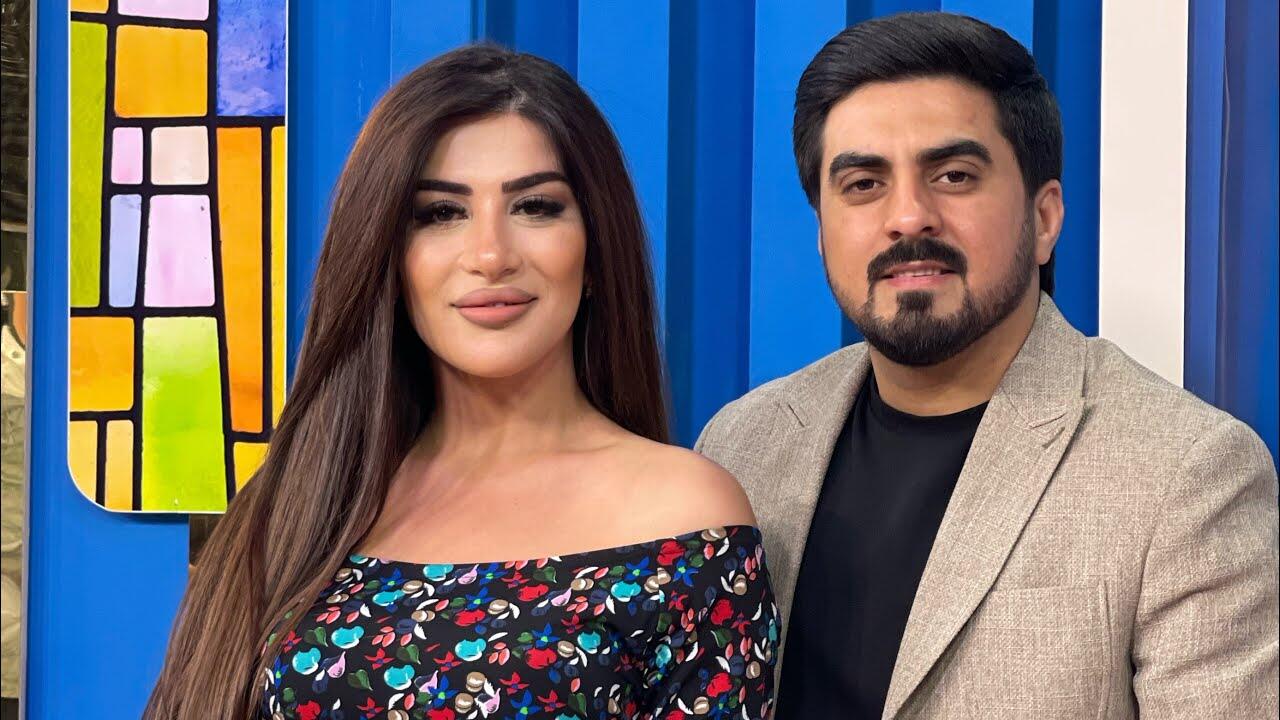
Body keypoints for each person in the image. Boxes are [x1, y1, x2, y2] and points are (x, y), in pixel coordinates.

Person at [146, 45, 780, 720]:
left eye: (535, 206)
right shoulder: (303, 503)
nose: (490, 255)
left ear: (595, 251)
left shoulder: (686, 518)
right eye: (441, 214)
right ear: (388, 257)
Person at [696, 12, 1278, 719]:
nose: (908, 217)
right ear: (822, 231)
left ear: (1045, 218)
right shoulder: (741, 446)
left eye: (954, 175)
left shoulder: (1186, 472)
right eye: (864, 184)